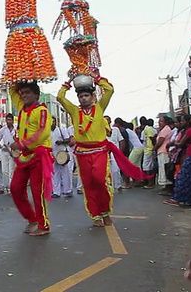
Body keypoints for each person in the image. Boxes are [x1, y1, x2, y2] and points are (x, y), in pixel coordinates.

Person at [57, 70, 147, 227]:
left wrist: (95, 78)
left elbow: (110, 90)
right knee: (88, 184)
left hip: (100, 152)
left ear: (93, 97)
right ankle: (95, 215)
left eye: (86, 96)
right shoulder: (74, 111)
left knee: (100, 181)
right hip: (82, 153)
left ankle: (105, 212)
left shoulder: (99, 108)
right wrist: (69, 82)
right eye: (81, 96)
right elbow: (60, 97)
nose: (84, 98)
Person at [8, 81, 53, 236]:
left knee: (37, 191)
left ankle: (43, 225)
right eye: (23, 93)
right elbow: (12, 90)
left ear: (36, 94)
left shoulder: (42, 110)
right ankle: (32, 219)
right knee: (15, 188)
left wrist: (21, 144)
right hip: (25, 156)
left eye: (28, 92)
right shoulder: (21, 108)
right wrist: (21, 76)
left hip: (39, 155)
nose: (24, 95)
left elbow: (44, 133)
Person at [0, 113, 17, 194]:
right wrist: (2, 147)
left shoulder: (16, 129)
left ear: (13, 121)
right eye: (7, 120)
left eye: (10, 120)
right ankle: (6, 187)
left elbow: (19, 141)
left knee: (11, 171)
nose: (8, 121)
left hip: (13, 152)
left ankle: (11, 189)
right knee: (4, 171)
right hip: (4, 152)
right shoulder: (3, 130)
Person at [51, 118, 73, 198]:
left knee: (65, 172)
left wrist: (61, 142)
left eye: (53, 121)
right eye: (51, 121)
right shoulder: (47, 131)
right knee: (54, 173)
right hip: (52, 154)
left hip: (62, 154)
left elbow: (68, 139)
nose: (52, 123)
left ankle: (68, 190)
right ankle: (56, 192)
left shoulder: (61, 129)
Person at [154, 116, 174, 193]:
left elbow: (160, 142)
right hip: (162, 151)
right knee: (163, 168)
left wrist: (154, 149)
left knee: (164, 169)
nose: (159, 123)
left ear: (165, 122)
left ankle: (168, 187)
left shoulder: (165, 129)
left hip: (163, 151)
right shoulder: (164, 129)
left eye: (161, 121)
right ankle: (166, 186)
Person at [105, 116, 125, 191]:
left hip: (115, 152)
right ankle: (108, 186)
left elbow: (121, 141)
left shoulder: (115, 129)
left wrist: (120, 153)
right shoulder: (100, 132)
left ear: (110, 121)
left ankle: (118, 185)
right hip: (105, 153)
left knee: (116, 169)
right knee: (106, 171)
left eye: (107, 120)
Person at [124, 121, 144, 189]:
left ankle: (129, 183)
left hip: (136, 148)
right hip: (140, 147)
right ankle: (139, 180)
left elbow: (126, 142)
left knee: (129, 165)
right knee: (137, 165)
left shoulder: (126, 131)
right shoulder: (130, 131)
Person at [141, 119, 158, 188]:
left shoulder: (147, 129)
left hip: (148, 149)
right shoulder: (154, 130)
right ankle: (152, 182)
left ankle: (150, 184)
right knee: (151, 166)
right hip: (151, 150)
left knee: (147, 167)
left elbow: (151, 138)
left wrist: (154, 147)